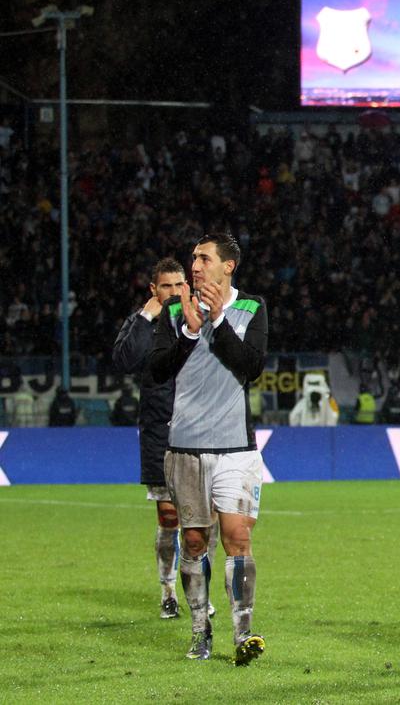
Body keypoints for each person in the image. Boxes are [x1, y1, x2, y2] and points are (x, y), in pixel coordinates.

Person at [150, 233, 268, 665]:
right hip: (185, 445)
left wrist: (218, 323)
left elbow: (252, 367)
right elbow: (158, 372)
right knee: (195, 541)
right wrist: (186, 333)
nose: (195, 266)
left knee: (238, 537)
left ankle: (243, 632)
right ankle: (200, 630)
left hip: (236, 446)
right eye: (193, 259)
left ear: (228, 266)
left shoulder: (252, 307)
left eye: (203, 258)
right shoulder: (175, 311)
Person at [112, 257, 219, 619]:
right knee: (169, 516)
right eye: (167, 286)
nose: (174, 292)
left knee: (206, 519)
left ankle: (199, 588)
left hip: (200, 428)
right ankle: (168, 590)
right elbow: (124, 360)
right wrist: (145, 316)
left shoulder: (199, 316)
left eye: (179, 285)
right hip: (160, 430)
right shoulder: (143, 321)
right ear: (154, 290)